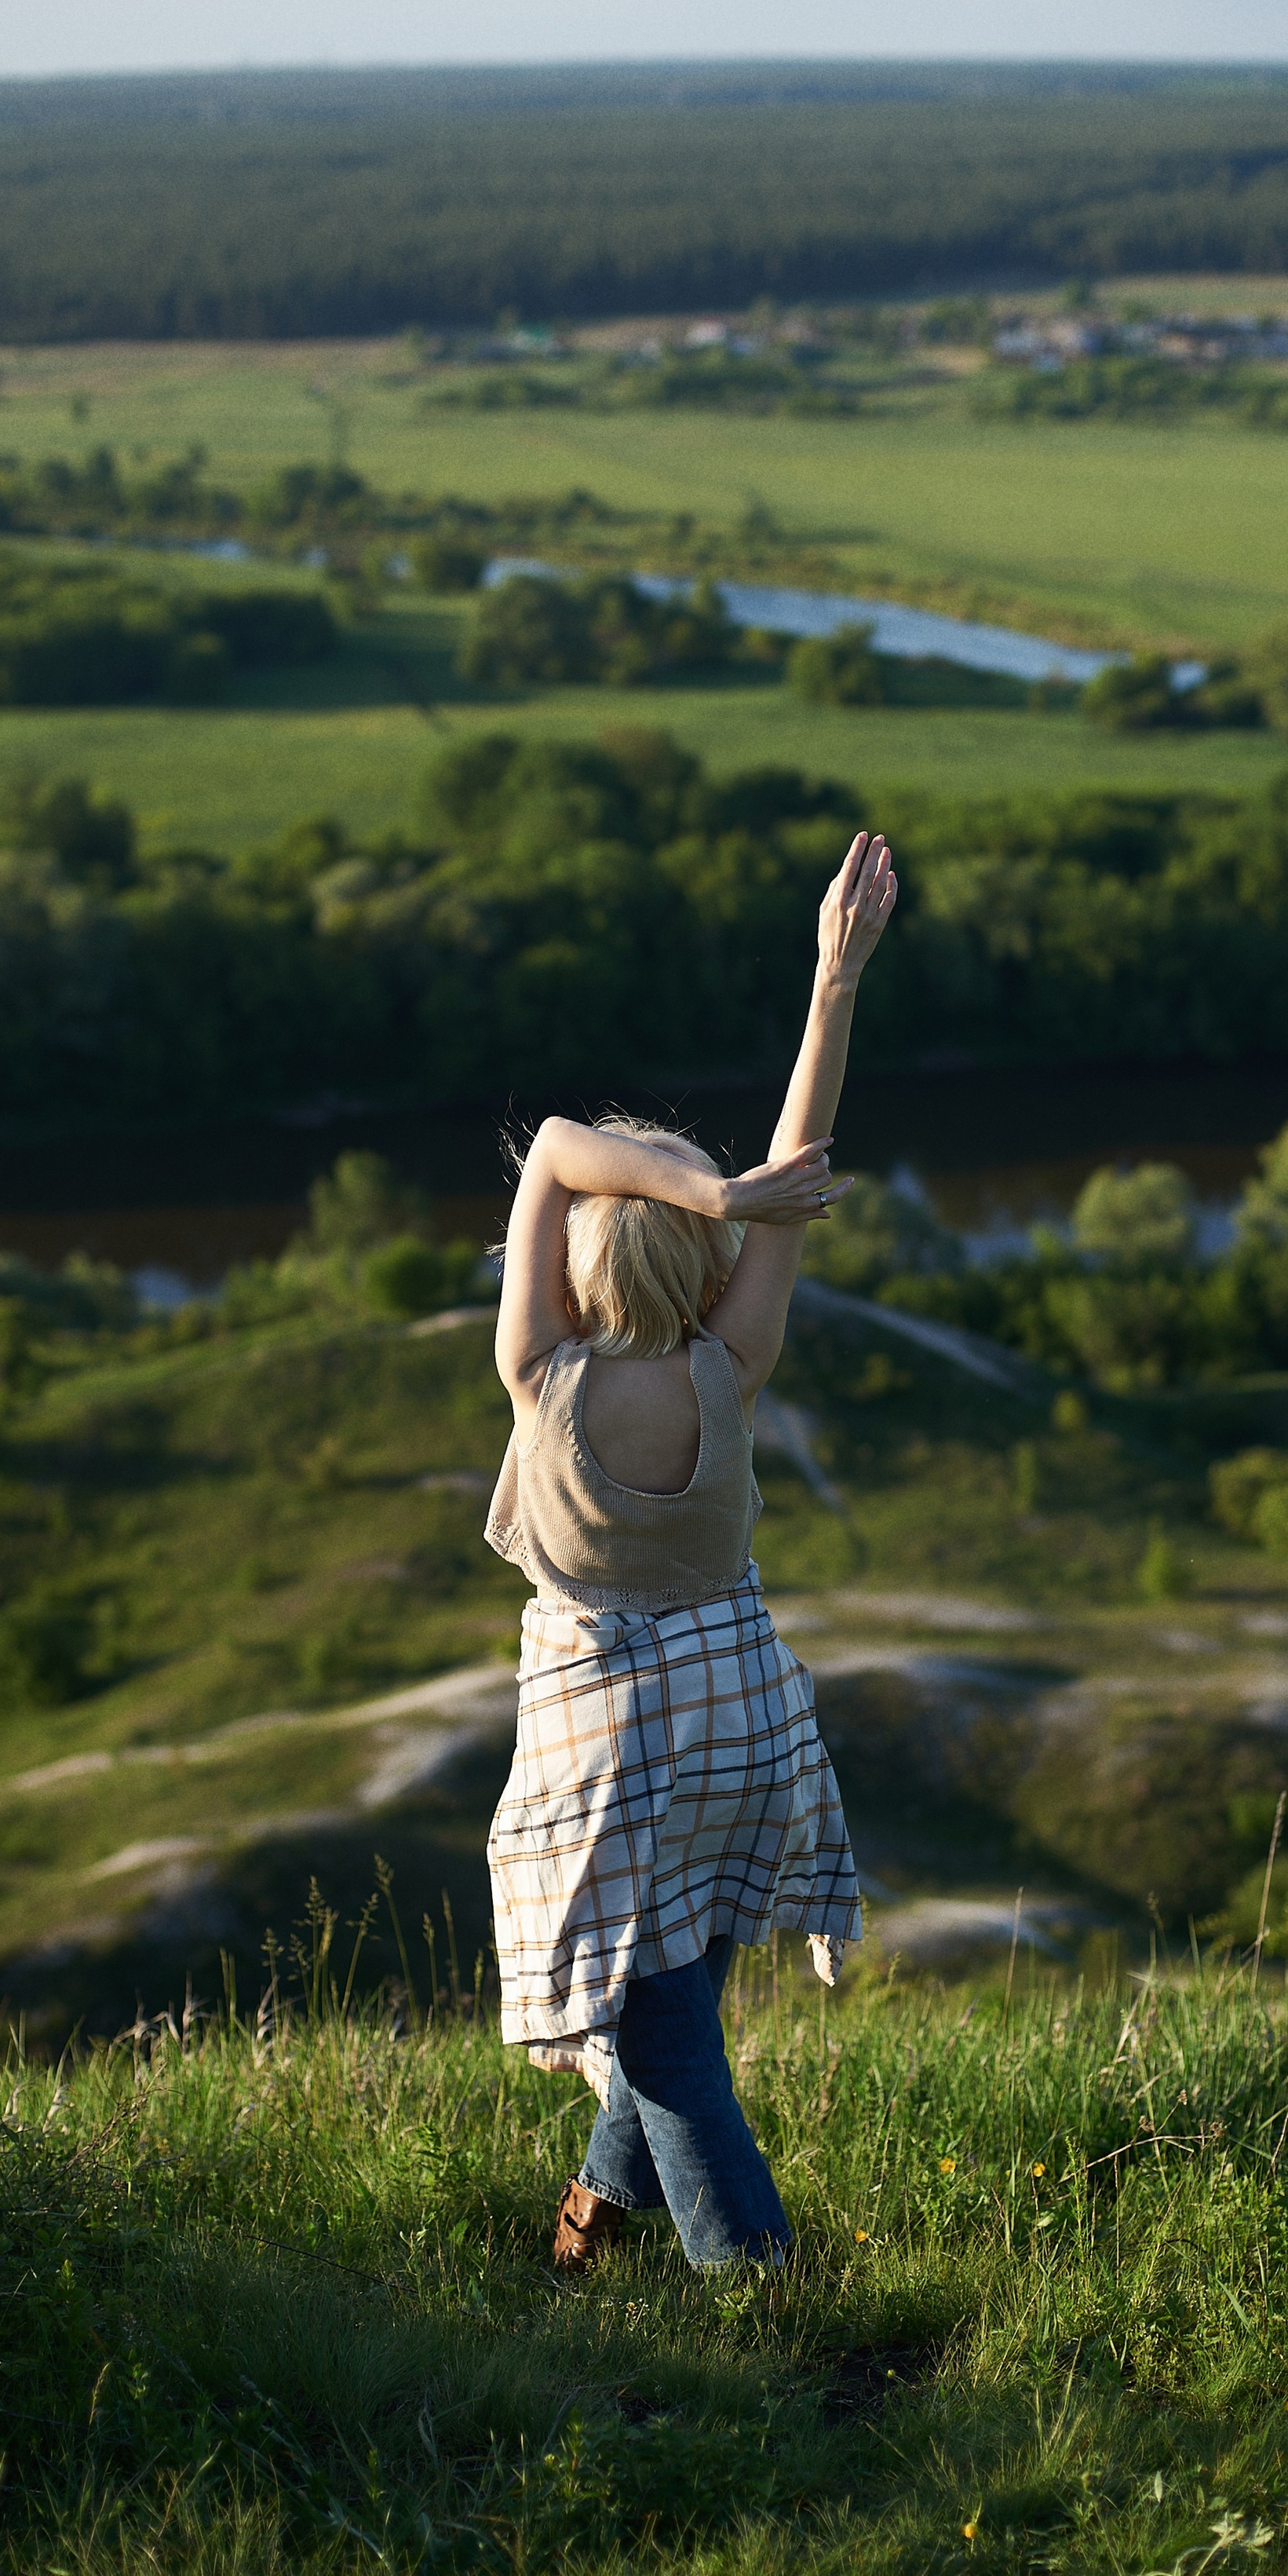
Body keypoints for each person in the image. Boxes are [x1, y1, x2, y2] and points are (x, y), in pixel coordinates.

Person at [483, 829, 898, 2272]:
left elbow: (551, 1146)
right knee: (675, 1997)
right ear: (708, 1271)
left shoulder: (539, 1377)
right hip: (744, 1724)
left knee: (663, 2045)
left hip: (614, 1746)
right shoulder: (735, 1367)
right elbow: (801, 1162)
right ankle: (591, 2226)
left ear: (572, 1269)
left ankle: (763, 2292)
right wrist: (834, 982)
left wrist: (710, 1191)